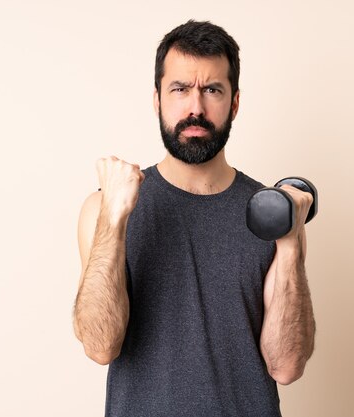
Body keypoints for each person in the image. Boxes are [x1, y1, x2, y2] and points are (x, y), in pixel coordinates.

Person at [72, 20, 315, 417]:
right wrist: (114, 221)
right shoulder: (104, 209)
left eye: (212, 90)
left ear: (234, 102)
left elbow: (285, 366)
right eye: (180, 89)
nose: (195, 108)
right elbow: (100, 346)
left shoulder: (273, 215)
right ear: (157, 100)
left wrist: (289, 241)